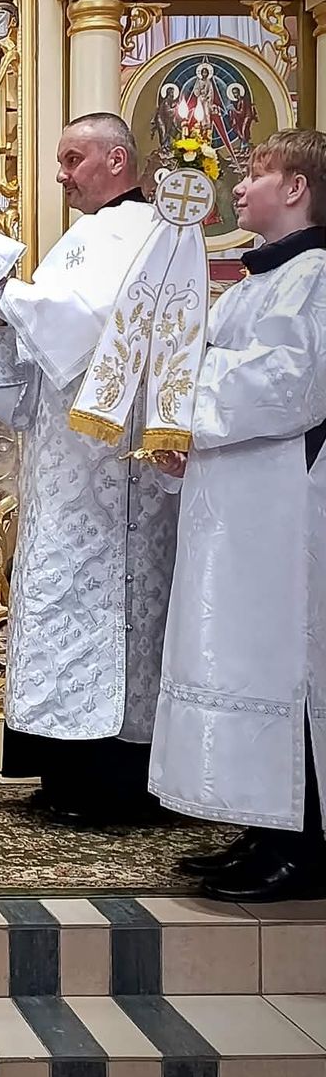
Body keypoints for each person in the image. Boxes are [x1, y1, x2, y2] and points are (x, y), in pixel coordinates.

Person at [0, 112, 178, 823]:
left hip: (114, 470)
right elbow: (39, 364)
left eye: (73, 158)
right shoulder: (81, 238)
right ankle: (63, 771)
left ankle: (111, 782)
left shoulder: (147, 233)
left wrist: (6, 294)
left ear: (117, 160)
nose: (61, 175)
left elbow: (89, 326)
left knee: (104, 613)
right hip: (61, 463)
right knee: (58, 604)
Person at [149, 131, 326, 900]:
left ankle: (305, 845)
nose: (241, 188)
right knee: (237, 654)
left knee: (284, 663)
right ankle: (260, 827)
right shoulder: (259, 281)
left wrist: (180, 395)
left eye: (257, 174)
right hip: (235, 505)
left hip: (283, 511)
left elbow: (291, 383)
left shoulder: (315, 276)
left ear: (297, 189)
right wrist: (180, 434)